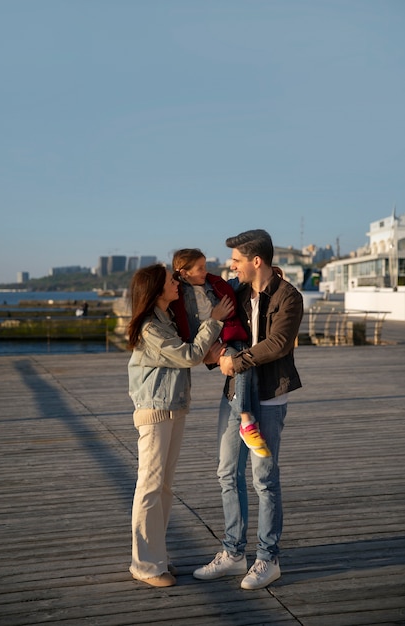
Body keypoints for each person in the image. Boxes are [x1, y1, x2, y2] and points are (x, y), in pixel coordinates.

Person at [193, 229, 303, 590]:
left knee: (264, 480)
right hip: (235, 397)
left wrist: (237, 361)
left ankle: (268, 559)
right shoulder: (235, 292)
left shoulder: (288, 297)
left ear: (256, 261)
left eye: (237, 261)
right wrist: (218, 355)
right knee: (227, 473)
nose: (232, 266)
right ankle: (233, 553)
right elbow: (216, 325)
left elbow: (279, 344)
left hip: (269, 398)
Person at [127, 264, 233, 588]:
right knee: (149, 486)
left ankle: (156, 556)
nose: (177, 283)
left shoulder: (167, 319)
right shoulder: (149, 327)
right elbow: (186, 355)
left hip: (173, 409)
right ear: (157, 290)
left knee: (164, 488)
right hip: (155, 411)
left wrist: (209, 351)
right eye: (172, 280)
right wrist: (214, 319)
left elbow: (186, 356)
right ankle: (145, 565)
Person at [170, 248, 270, 457]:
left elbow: (232, 285)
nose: (206, 272)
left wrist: (266, 274)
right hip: (207, 340)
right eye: (200, 268)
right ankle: (246, 421)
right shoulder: (177, 293)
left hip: (225, 336)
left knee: (242, 365)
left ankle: (246, 421)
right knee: (239, 363)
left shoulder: (211, 284)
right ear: (184, 272)